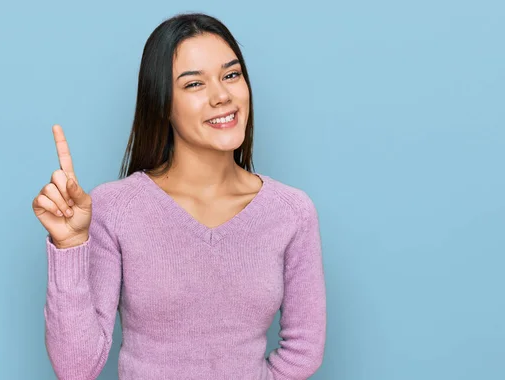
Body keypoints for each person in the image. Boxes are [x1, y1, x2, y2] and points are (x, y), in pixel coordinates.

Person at [32, 12, 326, 380]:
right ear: (162, 103)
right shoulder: (116, 208)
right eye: (194, 85)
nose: (222, 96)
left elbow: (305, 350)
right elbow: (76, 368)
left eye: (231, 75)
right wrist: (71, 244)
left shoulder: (292, 213)